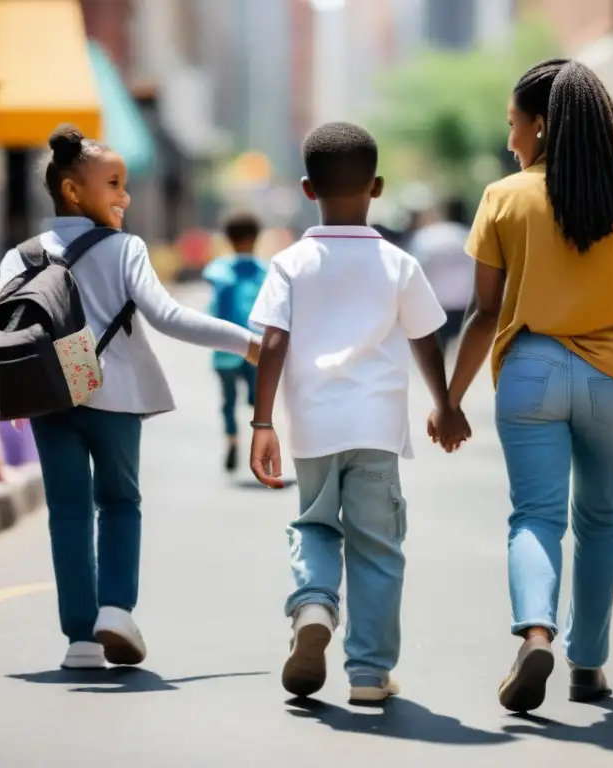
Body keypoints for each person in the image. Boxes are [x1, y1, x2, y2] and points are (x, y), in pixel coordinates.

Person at [431, 59, 613, 713]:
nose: (511, 141)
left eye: (513, 125)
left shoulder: (503, 198)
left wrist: (451, 401)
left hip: (531, 372)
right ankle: (587, 665)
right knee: (600, 517)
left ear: (539, 126)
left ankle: (537, 633)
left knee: (535, 516)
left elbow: (483, 313)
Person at [0, 126, 260, 671]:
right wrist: (249, 343)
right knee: (118, 503)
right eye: (114, 184)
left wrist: (12, 394)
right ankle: (115, 608)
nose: (126, 196)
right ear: (73, 191)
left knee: (67, 513)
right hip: (112, 396)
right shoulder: (125, 249)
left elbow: (3, 333)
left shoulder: (19, 257)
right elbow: (169, 317)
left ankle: (80, 640)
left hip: (49, 399)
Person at [247, 122, 467, 703]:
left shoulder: (290, 263)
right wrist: (445, 405)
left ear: (305, 188)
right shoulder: (398, 263)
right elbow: (425, 338)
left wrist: (262, 422)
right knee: (378, 546)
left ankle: (315, 604)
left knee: (315, 525)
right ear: (377, 188)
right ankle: (369, 673)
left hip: (312, 428)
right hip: (376, 430)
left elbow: (272, 342)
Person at [203, 211, 268, 471]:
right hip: (255, 347)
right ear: (257, 238)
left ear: (228, 238)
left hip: (224, 348)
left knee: (227, 402)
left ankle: (232, 440)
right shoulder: (265, 270)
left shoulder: (217, 269)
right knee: (259, 402)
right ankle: (261, 443)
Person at [406, 200, 474, 355]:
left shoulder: (427, 236)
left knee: (436, 353)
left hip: (434, 302)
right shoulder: (468, 236)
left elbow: (414, 268)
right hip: (462, 303)